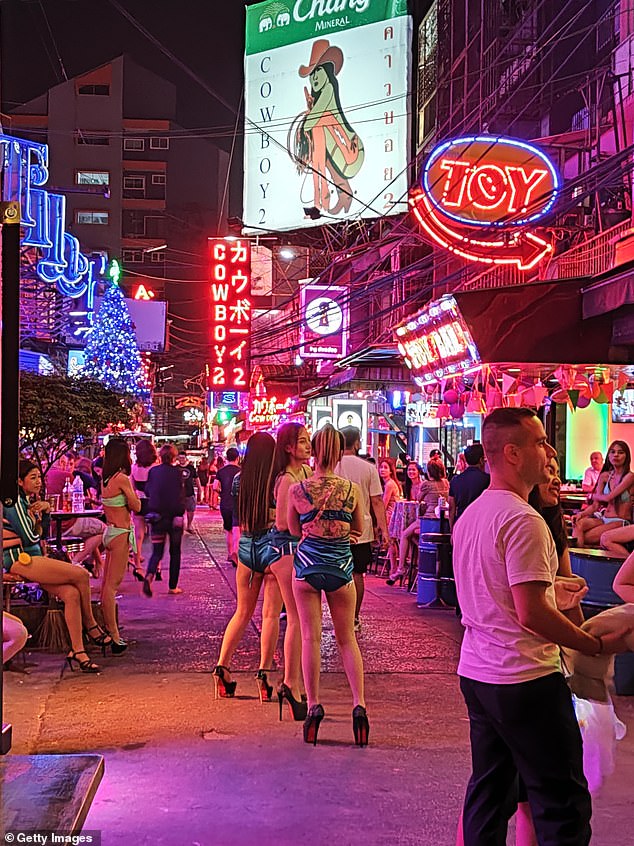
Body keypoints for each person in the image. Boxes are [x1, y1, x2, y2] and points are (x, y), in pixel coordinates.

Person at [452, 407, 631, 846]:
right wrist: (589, 642)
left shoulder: (472, 515)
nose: (549, 451)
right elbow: (531, 611)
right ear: (512, 453)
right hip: (524, 677)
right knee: (561, 803)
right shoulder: (522, 520)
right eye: (539, 442)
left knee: (489, 793)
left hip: (478, 673)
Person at [213, 432, 307, 719]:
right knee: (271, 614)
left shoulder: (240, 479)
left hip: (246, 547)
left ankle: (222, 668)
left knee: (242, 612)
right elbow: (281, 518)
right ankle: (265, 674)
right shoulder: (277, 479)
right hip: (272, 547)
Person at [288, 424, 368, 746]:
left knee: (310, 637)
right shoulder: (351, 490)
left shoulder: (298, 490)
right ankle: (359, 706)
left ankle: (312, 706)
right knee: (347, 638)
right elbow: (360, 529)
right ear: (338, 452)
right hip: (341, 568)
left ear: (317, 451)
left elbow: (293, 530)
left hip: (306, 568)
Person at [3, 460, 112, 673]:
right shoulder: (14, 502)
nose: (38, 482)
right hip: (20, 560)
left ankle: (78, 652)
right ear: (19, 480)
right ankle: (91, 626)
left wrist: (45, 511)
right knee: (80, 574)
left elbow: (40, 535)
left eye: (39, 477)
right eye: (32, 477)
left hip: (32, 557)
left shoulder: (26, 501)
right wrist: (43, 515)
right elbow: (31, 536)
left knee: (71, 594)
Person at [289, 39, 364, 216]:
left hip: (350, 150)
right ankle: (337, 196)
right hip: (337, 148)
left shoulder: (329, 89)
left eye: (318, 72)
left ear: (327, 72)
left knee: (319, 133)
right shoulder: (318, 96)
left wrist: (309, 115)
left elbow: (310, 122)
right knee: (321, 144)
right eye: (311, 74)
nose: (314, 78)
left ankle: (323, 197)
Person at [336, 427, 388, 632]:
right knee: (357, 573)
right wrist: (383, 530)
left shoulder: (333, 466)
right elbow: (376, 501)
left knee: (337, 574)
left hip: (335, 529)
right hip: (362, 530)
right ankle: (354, 618)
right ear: (357, 443)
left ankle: (339, 616)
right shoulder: (368, 468)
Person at [101, 439, 141, 653]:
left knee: (107, 584)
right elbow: (136, 505)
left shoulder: (105, 479)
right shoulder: (122, 479)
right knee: (111, 587)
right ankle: (114, 635)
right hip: (120, 534)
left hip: (110, 531)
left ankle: (110, 630)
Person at [387, 461, 449, 585]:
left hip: (428, 518)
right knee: (413, 537)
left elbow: (419, 498)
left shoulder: (426, 484)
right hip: (442, 519)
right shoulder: (446, 483)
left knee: (405, 534)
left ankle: (401, 568)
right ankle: (414, 563)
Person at [143, 444, 186, 597]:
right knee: (175, 552)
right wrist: (181, 514)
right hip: (174, 518)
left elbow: (148, 490)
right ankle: (173, 586)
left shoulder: (153, 472)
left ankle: (149, 575)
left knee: (157, 552)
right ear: (174, 457)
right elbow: (181, 495)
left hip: (157, 517)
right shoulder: (178, 473)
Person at [573, 441, 634, 548]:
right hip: (604, 518)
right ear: (608, 456)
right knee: (578, 524)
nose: (616, 455)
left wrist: (593, 496)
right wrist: (581, 514)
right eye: (612, 452)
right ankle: (576, 563)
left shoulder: (629, 477)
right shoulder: (605, 476)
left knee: (585, 538)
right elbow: (596, 505)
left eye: (620, 452)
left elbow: (609, 497)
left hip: (620, 521)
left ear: (627, 456)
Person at [130, 439, 158, 576]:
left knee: (138, 535)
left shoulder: (134, 469)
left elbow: (132, 488)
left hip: (140, 502)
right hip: (154, 503)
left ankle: (137, 564)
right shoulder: (155, 467)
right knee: (156, 535)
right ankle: (156, 566)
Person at [448, 443, 490, 530]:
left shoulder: (455, 480)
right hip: (480, 524)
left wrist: (452, 529)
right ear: (481, 460)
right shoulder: (488, 480)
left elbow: (451, 508)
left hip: (460, 523)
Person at [214, 447, 241, 565]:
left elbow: (215, 487)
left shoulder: (221, 471)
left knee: (228, 529)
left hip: (225, 503)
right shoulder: (241, 471)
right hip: (237, 503)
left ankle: (230, 553)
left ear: (226, 458)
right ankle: (236, 552)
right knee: (237, 529)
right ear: (237, 458)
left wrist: (222, 493)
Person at [177, 450, 200, 532]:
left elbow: (196, 479)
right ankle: (181, 526)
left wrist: (200, 489)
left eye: (183, 458)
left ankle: (189, 526)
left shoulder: (191, 468)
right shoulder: (176, 468)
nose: (181, 459)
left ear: (185, 458)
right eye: (180, 458)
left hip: (190, 492)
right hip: (179, 494)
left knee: (191, 511)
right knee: (179, 512)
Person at [378, 457, 401, 526]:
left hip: (390, 514)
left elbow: (384, 505)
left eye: (385, 468)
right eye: (381, 467)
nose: (382, 470)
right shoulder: (385, 483)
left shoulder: (389, 484)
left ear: (390, 471)